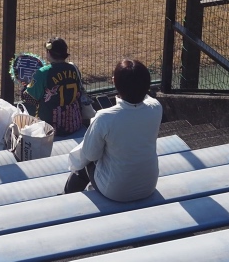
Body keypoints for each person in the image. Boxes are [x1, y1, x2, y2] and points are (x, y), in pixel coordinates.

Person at [64, 59, 162, 201]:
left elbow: (90, 155)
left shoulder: (105, 117)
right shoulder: (156, 107)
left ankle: (66, 198)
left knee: (83, 165)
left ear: (114, 81)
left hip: (115, 191)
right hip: (149, 185)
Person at [22, 38, 90, 136]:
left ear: (49, 53)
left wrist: (25, 88)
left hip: (51, 128)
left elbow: (29, 98)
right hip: (74, 124)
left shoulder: (43, 72)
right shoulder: (73, 68)